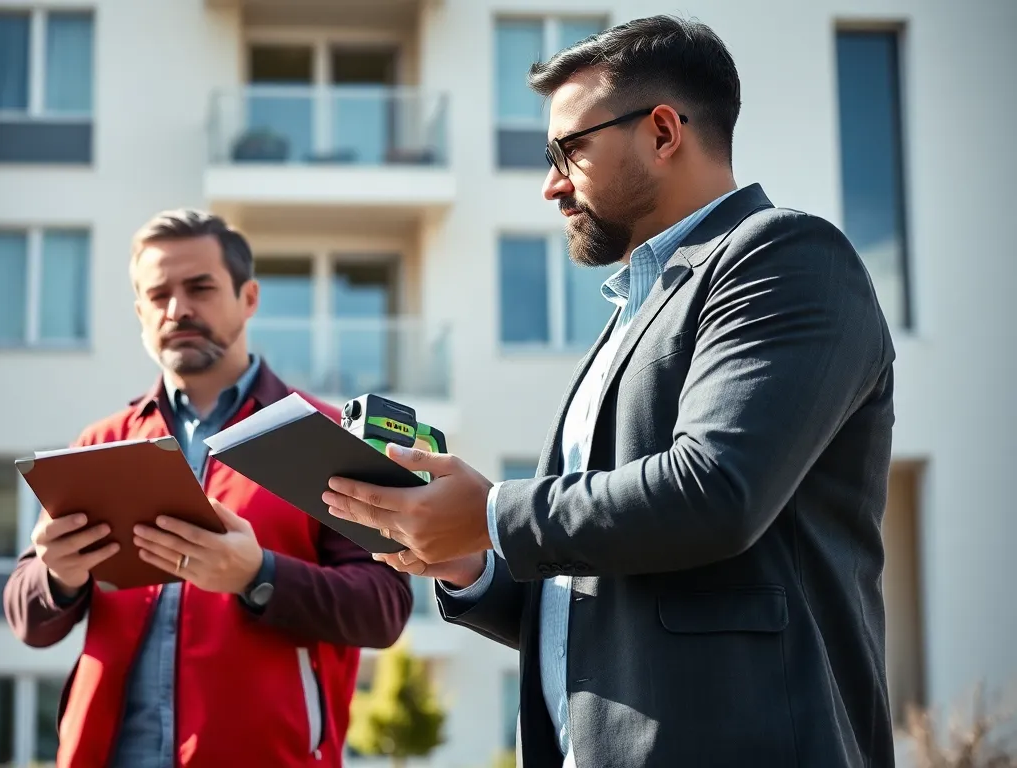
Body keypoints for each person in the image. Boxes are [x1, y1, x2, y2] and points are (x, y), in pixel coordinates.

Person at [320, 14, 896, 768]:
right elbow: (595, 598)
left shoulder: (785, 258)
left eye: (569, 150)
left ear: (662, 132)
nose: (551, 184)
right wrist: (466, 561)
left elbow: (716, 491)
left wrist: (490, 514)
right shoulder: (629, 317)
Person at [4, 208, 413, 768]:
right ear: (140, 313)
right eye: (158, 295)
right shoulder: (99, 442)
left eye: (200, 287)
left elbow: (385, 608)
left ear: (249, 298)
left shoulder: (320, 437)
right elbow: (28, 619)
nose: (178, 309)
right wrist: (59, 575)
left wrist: (257, 576)